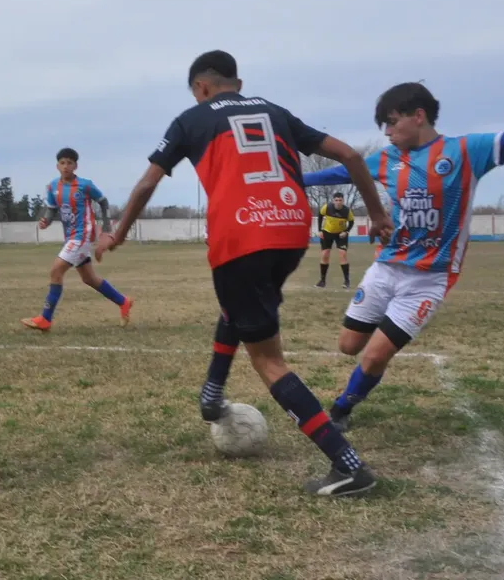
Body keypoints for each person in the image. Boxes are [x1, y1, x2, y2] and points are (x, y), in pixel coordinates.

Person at [94, 50, 394, 497]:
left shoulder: (191, 119)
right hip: (291, 229)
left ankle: (348, 465)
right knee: (240, 306)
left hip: (241, 234)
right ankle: (212, 394)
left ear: (201, 87)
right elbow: (350, 154)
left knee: (268, 360)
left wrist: (117, 234)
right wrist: (377, 214)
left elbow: (147, 183)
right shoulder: (275, 112)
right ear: (237, 82)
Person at [301, 71, 504, 433]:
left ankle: (341, 410)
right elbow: (336, 175)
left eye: (392, 122)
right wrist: (288, 178)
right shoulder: (387, 159)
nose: (387, 132)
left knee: (374, 355)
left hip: (430, 279)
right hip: (386, 268)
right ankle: (377, 335)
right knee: (348, 346)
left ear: (418, 116)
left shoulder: (465, 151)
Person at [20, 147, 133, 332]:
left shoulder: (85, 185)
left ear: (75, 166)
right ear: (57, 166)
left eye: (69, 163)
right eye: (62, 163)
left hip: (82, 236)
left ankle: (45, 319)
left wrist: (106, 228)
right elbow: (52, 209)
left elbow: (103, 201)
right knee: (89, 278)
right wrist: (46, 221)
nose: (66, 166)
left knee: (56, 271)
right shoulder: (53, 187)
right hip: (71, 237)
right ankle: (124, 302)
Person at [315, 192, 355, 288]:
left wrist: (346, 231)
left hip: (340, 234)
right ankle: (322, 281)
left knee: (342, 254)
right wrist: (320, 230)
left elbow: (351, 222)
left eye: (340, 200)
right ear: (333, 201)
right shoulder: (327, 207)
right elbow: (320, 215)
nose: (338, 202)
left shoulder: (347, 211)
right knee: (325, 255)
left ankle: (346, 281)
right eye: (336, 200)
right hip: (327, 232)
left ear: (343, 201)